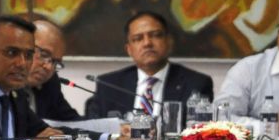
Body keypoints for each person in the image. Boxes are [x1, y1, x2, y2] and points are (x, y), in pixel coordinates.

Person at [85, 11, 213, 119]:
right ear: (129, 49)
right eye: (138, 38)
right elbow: (95, 130)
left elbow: (199, 132)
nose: (147, 43)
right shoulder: (109, 84)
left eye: (155, 35)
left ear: (169, 42)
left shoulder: (196, 83)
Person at [25, 19, 82, 122]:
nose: (49, 67)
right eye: (44, 55)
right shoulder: (1, 83)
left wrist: (109, 131)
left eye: (56, 62)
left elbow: (72, 121)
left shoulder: (50, 83)